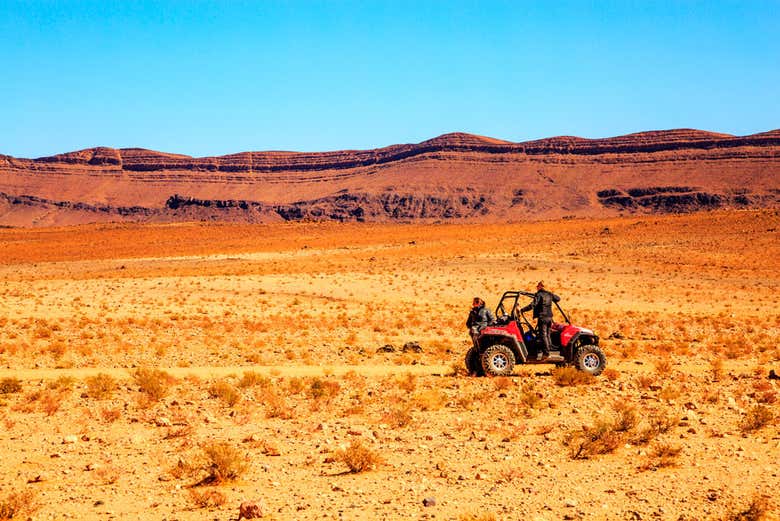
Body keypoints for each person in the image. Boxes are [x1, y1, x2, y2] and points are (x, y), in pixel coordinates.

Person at [520, 281, 560, 360]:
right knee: (548, 334)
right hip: (549, 318)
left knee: (543, 335)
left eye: (537, 286)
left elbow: (533, 305)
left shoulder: (539, 294)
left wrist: (522, 309)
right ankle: (549, 349)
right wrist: (550, 294)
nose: (536, 287)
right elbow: (558, 298)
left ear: (541, 287)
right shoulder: (549, 294)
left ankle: (546, 353)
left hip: (542, 318)